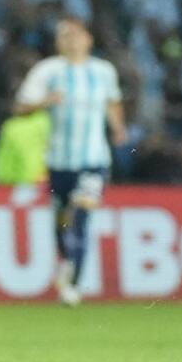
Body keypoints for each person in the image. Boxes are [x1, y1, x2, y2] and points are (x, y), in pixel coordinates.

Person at [14, 18, 126, 306]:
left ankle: (74, 284)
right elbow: (20, 107)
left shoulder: (103, 71)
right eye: (64, 35)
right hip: (59, 162)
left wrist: (118, 128)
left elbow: (113, 102)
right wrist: (45, 102)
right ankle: (67, 261)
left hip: (94, 160)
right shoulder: (48, 71)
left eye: (75, 34)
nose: (70, 40)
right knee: (62, 222)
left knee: (81, 214)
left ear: (88, 39)